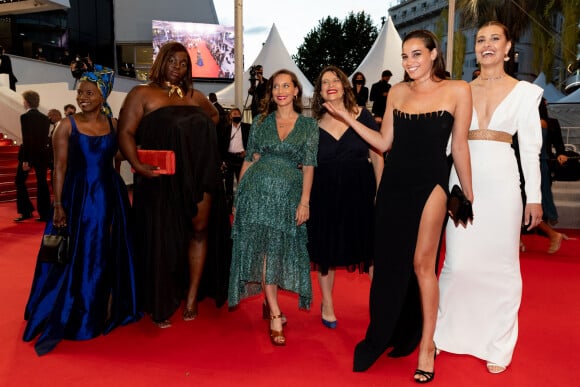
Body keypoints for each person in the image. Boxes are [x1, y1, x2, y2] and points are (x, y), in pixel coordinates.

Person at [335, 30, 472, 382]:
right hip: (395, 184)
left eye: (416, 55)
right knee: (390, 263)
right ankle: (390, 331)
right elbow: (384, 142)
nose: (410, 63)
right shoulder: (396, 92)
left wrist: (469, 195)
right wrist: (350, 118)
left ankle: (427, 345)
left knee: (422, 264)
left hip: (432, 183)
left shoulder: (458, 90)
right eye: (405, 57)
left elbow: (459, 146)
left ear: (433, 53)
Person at [434, 21, 543, 375]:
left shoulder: (525, 93)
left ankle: (498, 343)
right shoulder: (459, 89)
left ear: (509, 47)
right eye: (480, 39)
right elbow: (446, 144)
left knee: (502, 266)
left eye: (495, 38)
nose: (487, 44)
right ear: (474, 49)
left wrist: (534, 197)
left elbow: (531, 149)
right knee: (457, 262)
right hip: (460, 182)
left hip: (502, 184)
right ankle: (445, 333)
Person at [23, 65, 141, 356]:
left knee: (107, 253)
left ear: (103, 95)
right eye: (80, 92)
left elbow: (119, 158)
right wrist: (59, 204)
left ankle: (104, 307)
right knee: (79, 254)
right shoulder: (67, 125)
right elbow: (59, 167)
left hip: (109, 195)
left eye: (89, 93)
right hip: (78, 197)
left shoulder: (114, 126)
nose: (83, 97)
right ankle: (78, 311)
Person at [118, 41, 228, 329]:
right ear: (161, 62)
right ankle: (160, 300)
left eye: (184, 64)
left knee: (199, 231)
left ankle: (191, 298)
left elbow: (215, 117)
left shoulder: (195, 96)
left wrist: (199, 143)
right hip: (160, 179)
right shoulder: (142, 93)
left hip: (199, 176)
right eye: (172, 62)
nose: (178, 68)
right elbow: (125, 133)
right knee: (163, 240)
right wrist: (138, 165)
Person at [228, 69, 319, 346]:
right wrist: (238, 196)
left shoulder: (308, 127)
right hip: (256, 195)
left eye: (286, 85)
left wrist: (305, 201)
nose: (280, 90)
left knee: (280, 250)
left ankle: (270, 302)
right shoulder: (260, 121)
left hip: (288, 198)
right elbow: (249, 159)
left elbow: (310, 166)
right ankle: (276, 313)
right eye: (276, 86)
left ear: (295, 91)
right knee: (265, 251)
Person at [308, 65, 383, 329]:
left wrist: (379, 190)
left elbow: (377, 154)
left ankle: (382, 305)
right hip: (325, 193)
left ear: (344, 85)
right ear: (320, 92)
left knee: (370, 250)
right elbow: (307, 164)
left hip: (360, 191)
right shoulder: (313, 125)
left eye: (335, 80)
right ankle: (327, 303)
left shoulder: (362, 115)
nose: (330, 84)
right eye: (324, 82)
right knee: (325, 253)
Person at [536, 97, 568, 253]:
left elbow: (559, 144)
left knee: (538, 201)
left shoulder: (551, 123)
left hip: (542, 165)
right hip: (527, 165)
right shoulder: (521, 120)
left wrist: (561, 153)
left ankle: (552, 233)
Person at [14, 90, 51, 222]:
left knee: (19, 181)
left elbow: (27, 138)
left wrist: (26, 160)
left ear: (27, 102)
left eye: (24, 100)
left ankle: (26, 211)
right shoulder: (45, 118)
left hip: (29, 154)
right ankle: (45, 213)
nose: (23, 102)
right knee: (42, 183)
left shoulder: (25, 117)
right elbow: (43, 139)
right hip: (42, 155)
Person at [219, 107, 250, 212]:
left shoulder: (247, 127)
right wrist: (222, 161)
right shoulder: (225, 129)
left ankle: (242, 206)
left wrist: (247, 151)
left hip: (241, 158)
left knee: (242, 183)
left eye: (238, 114)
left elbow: (253, 142)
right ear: (230, 116)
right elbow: (221, 145)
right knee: (228, 184)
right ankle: (229, 207)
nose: (236, 115)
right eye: (234, 114)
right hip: (229, 158)